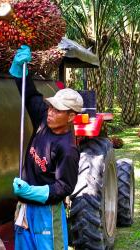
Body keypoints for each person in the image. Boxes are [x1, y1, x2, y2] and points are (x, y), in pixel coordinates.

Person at [9, 45, 83, 250]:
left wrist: (32, 192)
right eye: (51, 106)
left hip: (47, 215)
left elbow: (64, 187)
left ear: (70, 117)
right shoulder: (43, 118)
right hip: (25, 208)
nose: (50, 112)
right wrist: (20, 69)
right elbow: (30, 95)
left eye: (58, 110)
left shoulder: (68, 149)